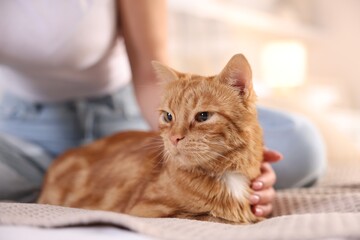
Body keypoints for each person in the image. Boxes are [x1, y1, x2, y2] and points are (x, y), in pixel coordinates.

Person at [0, 0, 326, 218]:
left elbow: (151, 76)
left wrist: (244, 157)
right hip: (18, 133)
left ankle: (33, 186)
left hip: (129, 114)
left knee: (300, 142)